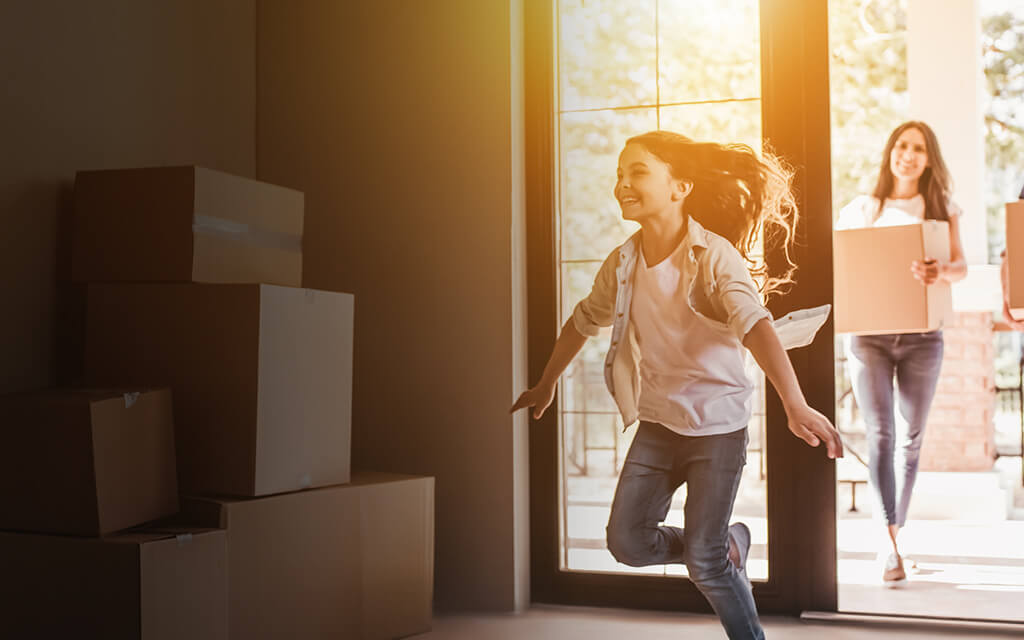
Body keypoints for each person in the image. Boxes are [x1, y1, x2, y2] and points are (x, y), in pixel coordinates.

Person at [511, 130, 843, 640]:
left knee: (705, 568)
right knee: (627, 543)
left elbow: (756, 325)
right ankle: (724, 542)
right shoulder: (622, 263)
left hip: (718, 428)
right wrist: (545, 384)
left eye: (637, 172)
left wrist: (794, 405)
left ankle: (724, 575)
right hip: (659, 423)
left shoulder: (715, 256)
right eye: (619, 175)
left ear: (679, 186)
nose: (622, 184)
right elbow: (583, 320)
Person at [836, 121, 967, 587]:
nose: (907, 154)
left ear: (929, 159)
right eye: (901, 145)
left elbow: (960, 266)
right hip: (869, 338)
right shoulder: (862, 209)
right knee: (881, 435)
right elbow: (844, 265)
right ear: (890, 152)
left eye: (918, 148)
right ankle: (888, 544)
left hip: (922, 337)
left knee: (910, 440)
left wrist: (940, 271)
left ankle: (894, 536)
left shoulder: (940, 208)